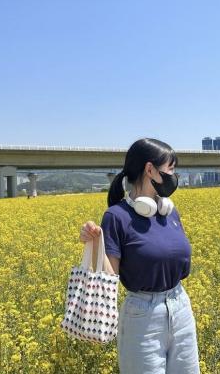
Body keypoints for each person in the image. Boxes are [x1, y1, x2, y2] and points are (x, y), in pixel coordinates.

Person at [79, 138, 200, 374]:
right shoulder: (117, 217)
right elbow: (109, 277)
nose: (174, 177)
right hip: (142, 316)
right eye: (171, 169)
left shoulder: (169, 213)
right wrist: (96, 242)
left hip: (181, 307)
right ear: (150, 169)